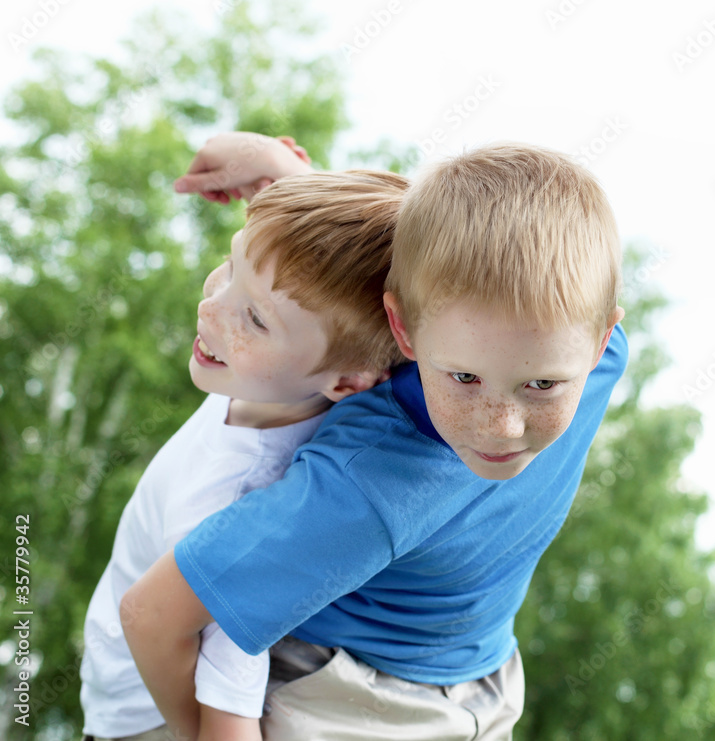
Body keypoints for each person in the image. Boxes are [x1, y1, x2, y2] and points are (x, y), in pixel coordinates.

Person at [123, 133, 628, 741]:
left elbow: (479, 244)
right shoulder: (362, 485)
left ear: (602, 337)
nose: (502, 427)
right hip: (349, 701)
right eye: (463, 378)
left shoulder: (586, 347)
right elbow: (152, 615)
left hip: (487, 674)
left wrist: (294, 178)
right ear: (405, 332)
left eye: (543, 385)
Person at [80, 145, 409, 741]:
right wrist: (276, 171)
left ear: (348, 383)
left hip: (140, 714)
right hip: (129, 700)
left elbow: (227, 699)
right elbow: (311, 261)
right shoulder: (308, 372)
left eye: (254, 319)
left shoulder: (234, 505)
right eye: (230, 266)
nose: (212, 307)